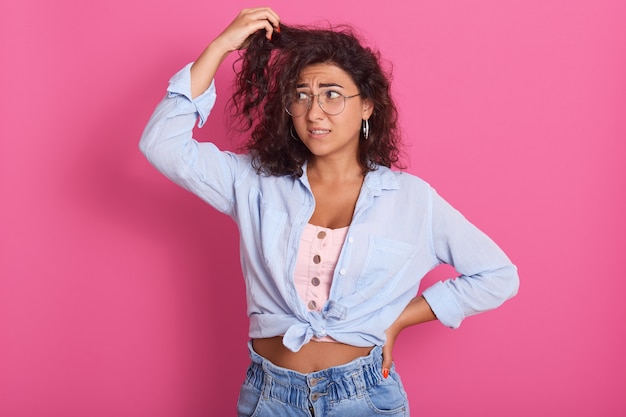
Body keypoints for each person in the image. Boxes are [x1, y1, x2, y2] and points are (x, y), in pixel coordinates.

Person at [139, 7, 519, 416]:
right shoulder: (254, 182)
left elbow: (498, 275)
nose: (314, 112)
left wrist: (399, 320)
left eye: (332, 95)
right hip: (270, 398)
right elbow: (162, 145)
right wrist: (219, 48)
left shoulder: (410, 199)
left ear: (367, 106)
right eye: (301, 95)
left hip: (365, 398)